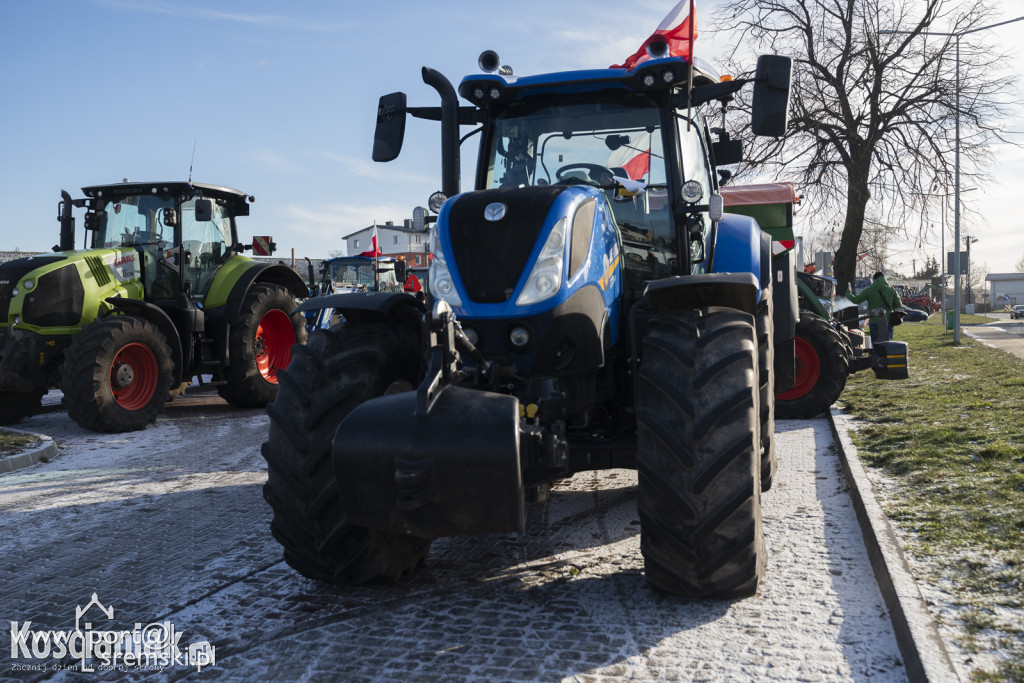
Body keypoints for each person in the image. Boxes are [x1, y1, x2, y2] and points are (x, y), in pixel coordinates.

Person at [846, 271, 903, 342]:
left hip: (874, 321)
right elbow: (898, 304)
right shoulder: (891, 290)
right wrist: (890, 308)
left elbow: (855, 300)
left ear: (874, 279)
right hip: (887, 320)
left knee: (876, 345)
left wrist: (848, 293)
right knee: (888, 344)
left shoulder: (869, 290)